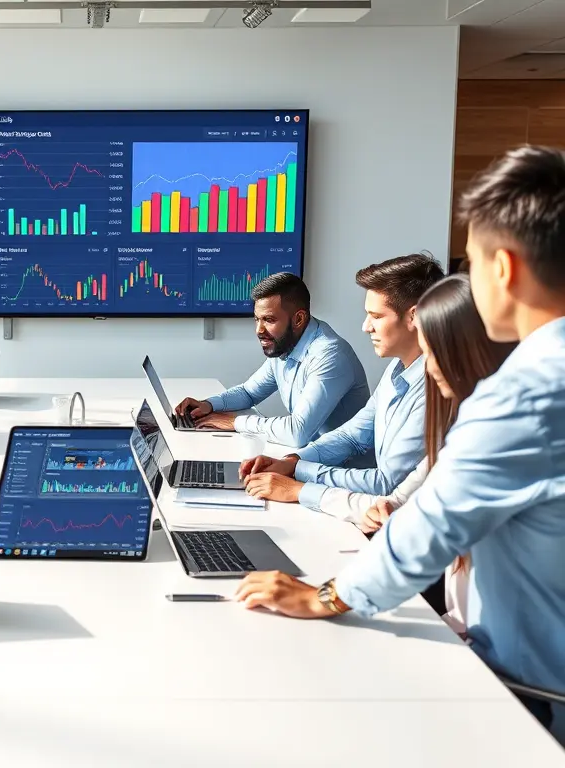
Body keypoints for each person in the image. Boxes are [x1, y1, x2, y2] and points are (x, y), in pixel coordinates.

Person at [234, 146, 565, 733]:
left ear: (504, 268)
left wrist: (327, 596)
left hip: (523, 697)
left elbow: (429, 522)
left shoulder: (527, 390)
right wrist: (296, 464)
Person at [247, 274, 515, 622]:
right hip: (465, 621)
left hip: (500, 656)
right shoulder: (463, 427)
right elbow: (396, 502)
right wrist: (297, 469)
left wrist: (326, 597)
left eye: (434, 353)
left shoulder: (492, 435)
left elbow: (416, 531)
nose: (429, 369)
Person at [240, 254, 445, 508]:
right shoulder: (397, 369)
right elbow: (353, 435)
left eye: (376, 316)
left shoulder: (434, 389)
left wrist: (298, 480)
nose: (366, 326)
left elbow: (386, 484)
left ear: (414, 316)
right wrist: (292, 461)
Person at [174, 272, 369, 448]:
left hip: (342, 472)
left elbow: (297, 432)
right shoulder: (286, 345)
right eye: (256, 319)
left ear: (298, 319)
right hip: (309, 458)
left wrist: (235, 422)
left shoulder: (329, 355)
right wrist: (208, 405)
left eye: (269, 320)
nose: (259, 330)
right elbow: (249, 393)